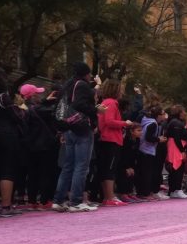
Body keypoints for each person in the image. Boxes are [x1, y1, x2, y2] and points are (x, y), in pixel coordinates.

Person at [52, 61, 104, 213]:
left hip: (68, 128)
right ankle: (76, 201)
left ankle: (59, 200)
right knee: (81, 166)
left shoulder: (67, 85)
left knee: (68, 165)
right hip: (81, 127)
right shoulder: (82, 85)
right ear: (86, 74)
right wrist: (96, 110)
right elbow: (80, 105)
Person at [0, 65, 25, 217]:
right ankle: (6, 206)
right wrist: (20, 109)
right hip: (6, 135)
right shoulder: (2, 96)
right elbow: (16, 117)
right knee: (7, 170)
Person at [21, 83, 59, 211]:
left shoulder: (21, 109)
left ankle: (32, 200)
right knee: (45, 172)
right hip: (44, 145)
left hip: (29, 145)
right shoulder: (39, 109)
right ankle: (44, 200)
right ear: (32, 96)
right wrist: (47, 102)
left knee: (32, 173)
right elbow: (53, 113)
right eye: (37, 93)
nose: (40, 95)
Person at [97, 80, 133, 207]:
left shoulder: (106, 102)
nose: (122, 92)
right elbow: (109, 121)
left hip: (107, 139)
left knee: (106, 168)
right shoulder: (111, 103)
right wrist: (125, 123)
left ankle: (107, 196)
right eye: (120, 89)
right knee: (110, 169)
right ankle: (110, 197)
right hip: (111, 139)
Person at [164, 105, 187, 199]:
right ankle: (176, 189)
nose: (185, 113)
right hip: (176, 147)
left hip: (175, 146)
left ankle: (173, 190)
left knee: (176, 169)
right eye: (183, 111)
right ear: (179, 112)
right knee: (177, 169)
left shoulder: (176, 122)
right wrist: (182, 151)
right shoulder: (176, 123)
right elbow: (177, 138)